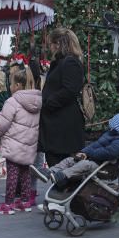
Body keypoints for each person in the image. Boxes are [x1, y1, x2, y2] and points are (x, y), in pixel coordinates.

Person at [0, 65, 41, 215]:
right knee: (26, 173)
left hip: (13, 145)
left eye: (11, 83)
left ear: (18, 86)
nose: (10, 86)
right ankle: (25, 202)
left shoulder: (12, 102)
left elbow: (1, 125)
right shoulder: (37, 102)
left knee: (13, 175)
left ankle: (8, 204)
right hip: (29, 145)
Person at [37, 112, 119, 190]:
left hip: (105, 166)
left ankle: (62, 175)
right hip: (94, 159)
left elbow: (110, 152)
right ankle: (49, 172)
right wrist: (84, 152)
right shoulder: (111, 133)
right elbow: (96, 145)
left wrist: (90, 154)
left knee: (83, 165)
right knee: (69, 160)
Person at [39, 27, 85, 167]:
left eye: (51, 44)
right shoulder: (62, 62)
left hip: (64, 125)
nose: (50, 48)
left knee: (62, 166)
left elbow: (70, 90)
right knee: (56, 163)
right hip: (57, 123)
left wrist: (49, 102)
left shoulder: (70, 62)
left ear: (57, 44)